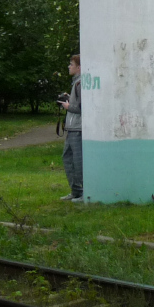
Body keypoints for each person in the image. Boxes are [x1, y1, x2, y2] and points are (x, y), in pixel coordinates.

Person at [59, 54, 83, 202]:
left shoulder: (80, 84)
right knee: (67, 158)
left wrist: (68, 106)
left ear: (79, 67)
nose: (69, 67)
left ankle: (81, 192)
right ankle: (76, 191)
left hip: (78, 128)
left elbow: (82, 107)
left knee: (77, 161)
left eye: (71, 64)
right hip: (72, 127)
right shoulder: (76, 83)